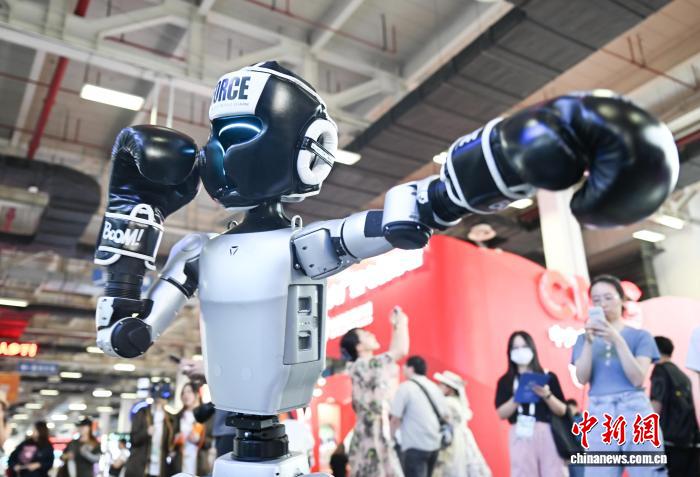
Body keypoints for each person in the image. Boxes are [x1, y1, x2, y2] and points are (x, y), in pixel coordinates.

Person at [572, 274, 666, 476]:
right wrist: (588, 342)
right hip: (599, 413)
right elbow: (581, 378)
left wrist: (617, 339)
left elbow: (637, 378)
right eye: (596, 300)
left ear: (622, 299)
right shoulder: (582, 340)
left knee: (648, 472)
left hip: (634, 410)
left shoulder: (640, 336)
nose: (603, 304)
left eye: (608, 297)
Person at [340, 306, 409, 477]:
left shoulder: (367, 366)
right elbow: (400, 351)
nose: (371, 334)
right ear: (359, 346)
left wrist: (396, 326)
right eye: (365, 334)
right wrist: (401, 322)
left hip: (373, 435)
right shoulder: (363, 365)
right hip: (371, 438)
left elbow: (392, 356)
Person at [495, 331, 568, 477]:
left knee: (554, 472)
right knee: (523, 472)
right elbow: (501, 413)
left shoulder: (548, 376)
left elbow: (562, 410)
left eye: (524, 346)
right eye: (515, 348)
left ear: (532, 348)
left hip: (547, 431)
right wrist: (517, 397)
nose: (520, 351)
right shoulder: (506, 381)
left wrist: (547, 395)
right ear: (509, 352)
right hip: (520, 431)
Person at [390, 356, 448, 477]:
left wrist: (391, 437)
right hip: (434, 444)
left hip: (414, 444)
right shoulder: (434, 387)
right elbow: (445, 415)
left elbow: (395, 418)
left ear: (411, 368)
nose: (403, 369)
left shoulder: (406, 387)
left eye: (405, 366)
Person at [650, 336, 699, 477]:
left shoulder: (660, 370)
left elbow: (656, 404)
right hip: (689, 440)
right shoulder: (682, 375)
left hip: (669, 439)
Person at [432, 370, 491, 477]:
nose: (438, 386)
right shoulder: (455, 402)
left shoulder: (449, 403)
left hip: (452, 440)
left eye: (441, 384)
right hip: (459, 439)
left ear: (449, 389)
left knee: (451, 468)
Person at [125, 382, 173, 477]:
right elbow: (133, 439)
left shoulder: (169, 419)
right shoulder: (142, 413)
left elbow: (169, 445)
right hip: (140, 468)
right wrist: (146, 432)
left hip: (159, 469)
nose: (161, 401)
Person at [170, 382, 208, 476]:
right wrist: (176, 440)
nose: (185, 395)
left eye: (189, 391)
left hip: (198, 462)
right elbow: (170, 441)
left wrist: (199, 440)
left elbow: (212, 441)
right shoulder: (177, 416)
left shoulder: (206, 415)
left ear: (197, 394)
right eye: (183, 392)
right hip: (180, 462)